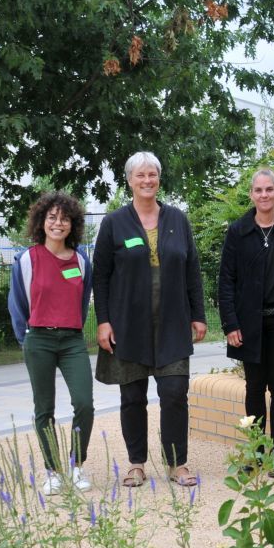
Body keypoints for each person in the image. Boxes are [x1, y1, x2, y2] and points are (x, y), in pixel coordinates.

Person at [93, 151, 207, 488]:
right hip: (128, 324)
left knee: (174, 392)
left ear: (159, 179)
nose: (147, 181)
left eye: (152, 175)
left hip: (172, 322)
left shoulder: (177, 219)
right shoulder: (114, 222)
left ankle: (177, 464)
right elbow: (101, 276)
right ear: (129, 180)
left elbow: (192, 271)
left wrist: (198, 314)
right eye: (140, 175)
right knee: (132, 398)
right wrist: (103, 321)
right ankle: (137, 463)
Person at [217, 169, 274, 476]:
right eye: (259, 190)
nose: (264, 195)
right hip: (249, 325)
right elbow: (226, 280)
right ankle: (256, 453)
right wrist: (230, 323)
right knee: (254, 388)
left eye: (270, 189)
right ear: (251, 195)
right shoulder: (238, 231)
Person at [8, 191, 95, 495]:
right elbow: (17, 304)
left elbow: (83, 302)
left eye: (65, 218)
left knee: (84, 403)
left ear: (73, 224)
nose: (58, 223)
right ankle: (53, 471)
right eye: (52, 217)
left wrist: (73, 327)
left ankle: (76, 465)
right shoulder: (26, 259)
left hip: (72, 341)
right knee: (44, 408)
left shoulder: (82, 261)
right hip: (39, 339)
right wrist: (27, 339)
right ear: (41, 222)